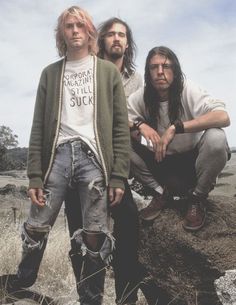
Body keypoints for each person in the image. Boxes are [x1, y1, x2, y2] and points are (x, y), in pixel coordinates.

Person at [2, 6, 130, 305]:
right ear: (62, 33)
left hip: (94, 160)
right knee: (36, 224)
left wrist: (119, 176)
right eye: (69, 26)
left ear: (89, 32)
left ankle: (91, 297)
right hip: (57, 156)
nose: (74, 31)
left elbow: (120, 128)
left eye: (80, 26)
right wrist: (35, 174)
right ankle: (23, 280)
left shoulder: (107, 71)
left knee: (95, 234)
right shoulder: (50, 73)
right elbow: (37, 127)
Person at [65, 18, 163, 305]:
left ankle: (127, 299)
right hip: (81, 163)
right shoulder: (84, 72)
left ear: (128, 43)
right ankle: (89, 298)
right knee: (80, 237)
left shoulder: (136, 80)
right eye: (110, 34)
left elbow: (140, 118)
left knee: (129, 229)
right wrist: (136, 124)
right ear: (100, 40)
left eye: (122, 35)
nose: (117, 39)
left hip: (117, 168)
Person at [128, 46, 231, 232]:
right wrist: (139, 126)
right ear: (148, 72)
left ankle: (197, 198)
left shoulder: (188, 89)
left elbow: (223, 117)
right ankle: (160, 194)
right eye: (154, 67)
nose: (160, 72)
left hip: (192, 166)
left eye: (166, 66)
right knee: (120, 144)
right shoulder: (141, 97)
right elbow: (115, 119)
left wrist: (176, 127)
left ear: (175, 70)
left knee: (216, 137)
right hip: (161, 165)